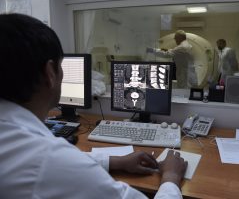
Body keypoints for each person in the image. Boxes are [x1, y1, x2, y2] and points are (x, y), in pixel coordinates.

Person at [0, 13, 187, 199]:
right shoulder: (48, 159)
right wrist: (171, 177)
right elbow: (62, 165)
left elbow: (66, 165)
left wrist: (115, 161)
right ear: (50, 72)